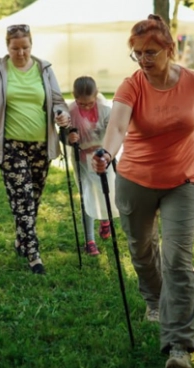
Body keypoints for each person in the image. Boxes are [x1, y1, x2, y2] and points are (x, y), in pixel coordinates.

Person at [92, 14, 194, 368]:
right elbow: (117, 125)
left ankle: (179, 346)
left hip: (183, 181)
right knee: (142, 252)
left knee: (177, 260)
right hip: (136, 179)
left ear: (170, 49)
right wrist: (106, 152)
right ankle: (154, 298)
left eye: (151, 52)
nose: (144, 59)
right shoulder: (132, 86)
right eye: (138, 53)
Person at [0, 24, 70, 275]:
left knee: (33, 199)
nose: (21, 53)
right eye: (15, 48)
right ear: (8, 47)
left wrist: (62, 114)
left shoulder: (44, 69)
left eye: (25, 47)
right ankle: (33, 253)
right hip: (11, 145)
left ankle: (21, 239)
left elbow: (59, 101)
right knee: (23, 198)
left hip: (41, 144)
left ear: (31, 45)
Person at [66, 76, 118, 256]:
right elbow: (62, 133)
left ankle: (105, 221)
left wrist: (106, 151)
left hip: (102, 159)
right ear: (74, 97)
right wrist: (68, 137)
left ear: (96, 96)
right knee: (87, 196)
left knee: (106, 193)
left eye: (90, 103)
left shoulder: (105, 110)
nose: (86, 107)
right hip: (82, 159)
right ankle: (89, 240)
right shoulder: (70, 111)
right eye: (82, 104)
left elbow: (113, 133)